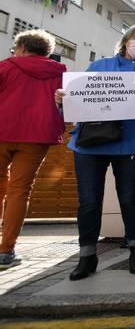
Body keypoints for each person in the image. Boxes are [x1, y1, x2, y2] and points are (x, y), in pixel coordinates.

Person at [58, 24, 135, 280]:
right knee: (89, 201)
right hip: (91, 144)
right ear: (126, 40)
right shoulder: (100, 66)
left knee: (130, 199)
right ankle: (87, 256)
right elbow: (79, 100)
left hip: (132, 144)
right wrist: (63, 101)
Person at [0, 30, 66, 269]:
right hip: (36, 136)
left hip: (1, 132)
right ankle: (6, 251)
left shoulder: (5, 67)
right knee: (20, 190)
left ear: (22, 48)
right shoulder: (61, 73)